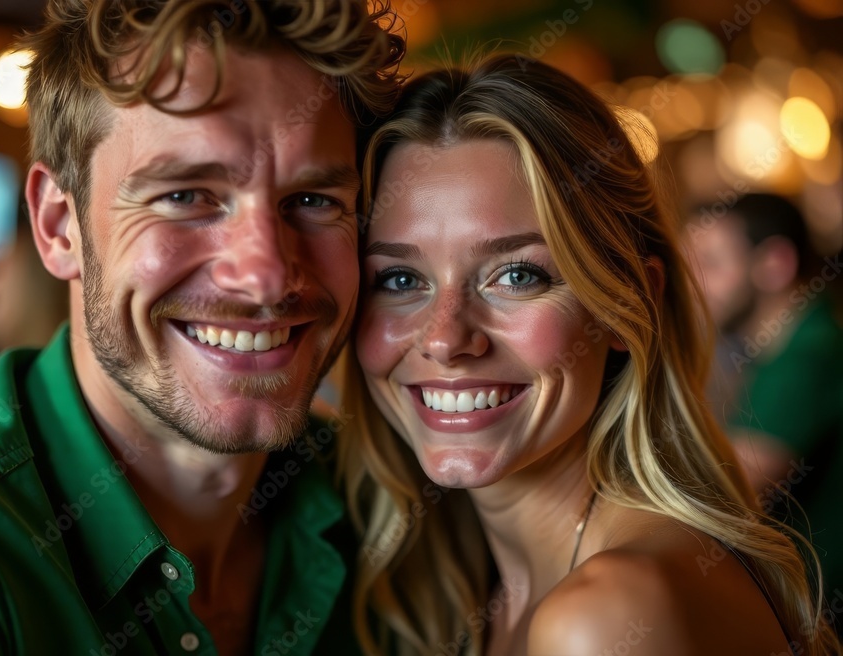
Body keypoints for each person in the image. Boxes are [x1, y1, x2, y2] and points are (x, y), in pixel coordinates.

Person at [0, 1, 404, 653]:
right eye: (187, 196)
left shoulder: (386, 498)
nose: (267, 276)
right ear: (58, 226)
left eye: (313, 201)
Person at [338, 53, 841, 655]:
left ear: (628, 306)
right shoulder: (474, 588)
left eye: (516, 276)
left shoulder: (606, 618)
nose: (445, 339)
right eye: (398, 280)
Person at [686, 193, 843, 634]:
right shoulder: (777, 349)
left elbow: (724, 493)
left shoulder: (809, 356)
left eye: (712, 263)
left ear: (775, 264)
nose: (695, 284)